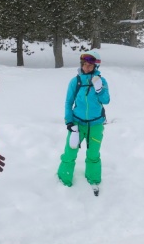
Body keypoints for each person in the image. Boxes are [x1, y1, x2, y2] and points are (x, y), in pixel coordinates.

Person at [57, 50, 110, 191]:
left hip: (96, 124)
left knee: (93, 155)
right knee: (70, 153)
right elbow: (68, 102)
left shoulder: (102, 81)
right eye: (84, 64)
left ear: (96, 67)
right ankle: (64, 179)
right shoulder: (76, 81)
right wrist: (69, 122)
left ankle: (93, 179)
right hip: (77, 124)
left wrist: (100, 90)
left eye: (90, 65)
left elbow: (106, 100)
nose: (86, 67)